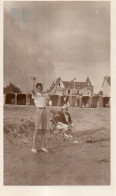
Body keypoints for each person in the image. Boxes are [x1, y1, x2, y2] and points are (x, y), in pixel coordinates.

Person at [31, 83, 48, 153]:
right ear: (36, 88)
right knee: (37, 130)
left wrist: (56, 84)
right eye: (38, 88)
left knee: (43, 130)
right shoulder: (35, 95)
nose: (40, 89)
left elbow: (53, 91)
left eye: (41, 88)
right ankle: (33, 147)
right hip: (38, 111)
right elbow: (32, 90)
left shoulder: (44, 95)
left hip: (44, 111)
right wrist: (33, 81)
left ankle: (43, 147)